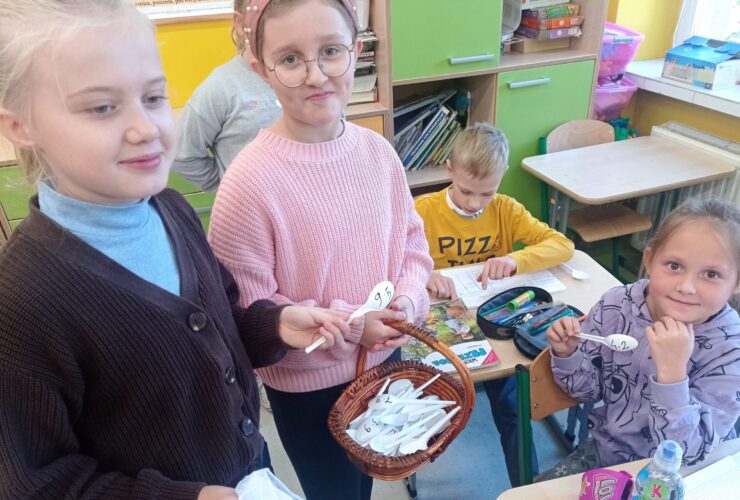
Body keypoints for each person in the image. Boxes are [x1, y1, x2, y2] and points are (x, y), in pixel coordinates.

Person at [0, 1, 351, 497]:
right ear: (20, 126)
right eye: (102, 107)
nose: (145, 127)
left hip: (249, 475)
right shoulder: (21, 300)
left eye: (153, 97)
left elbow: (218, 325)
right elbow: (37, 484)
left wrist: (272, 325)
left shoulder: (171, 208)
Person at [207, 1, 433, 498]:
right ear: (261, 68)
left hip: (386, 363)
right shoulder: (248, 183)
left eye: (331, 51)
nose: (316, 75)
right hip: (310, 391)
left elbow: (412, 245)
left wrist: (407, 302)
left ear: (357, 51)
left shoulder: (378, 153)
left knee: (369, 480)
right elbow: (248, 312)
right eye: (290, 59)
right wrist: (352, 325)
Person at [413, 123, 574, 486]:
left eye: (487, 193)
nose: (474, 203)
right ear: (450, 169)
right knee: (435, 394)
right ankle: (416, 454)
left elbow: (562, 246)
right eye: (466, 191)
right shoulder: (423, 210)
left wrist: (516, 260)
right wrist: (424, 272)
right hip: (445, 320)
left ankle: (528, 488)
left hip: (494, 319)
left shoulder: (505, 209)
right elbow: (392, 255)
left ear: (502, 178)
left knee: (512, 405)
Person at [542, 199, 740, 479]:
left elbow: (688, 454)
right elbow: (587, 392)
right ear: (649, 260)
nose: (686, 287)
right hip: (608, 453)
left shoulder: (730, 350)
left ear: (736, 283)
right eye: (674, 265)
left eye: (711, 274)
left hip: (683, 475)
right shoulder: (617, 306)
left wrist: (672, 376)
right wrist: (568, 355)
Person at [172, 0, 282, 192]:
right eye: (268, 14)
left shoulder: (310, 77)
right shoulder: (220, 87)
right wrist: (228, 186)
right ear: (240, 23)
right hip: (249, 207)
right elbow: (181, 154)